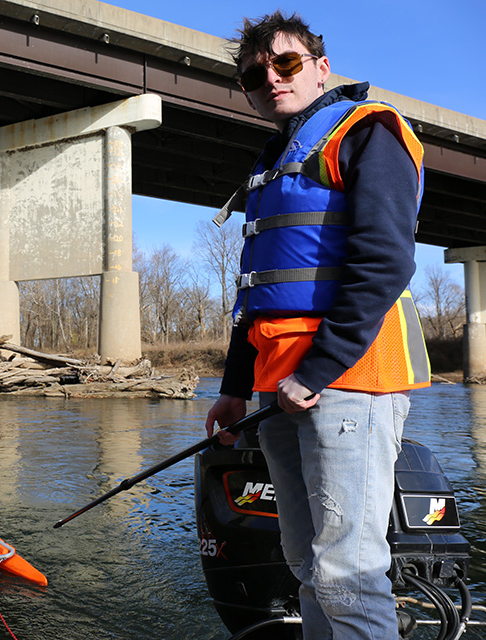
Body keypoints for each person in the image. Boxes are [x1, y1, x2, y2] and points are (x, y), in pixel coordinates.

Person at [205, 10, 430, 640]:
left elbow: (385, 261)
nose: (270, 80)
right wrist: (233, 386)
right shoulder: (275, 158)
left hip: (345, 381)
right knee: (308, 566)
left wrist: (318, 368)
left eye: (285, 64)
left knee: (349, 575)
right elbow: (261, 290)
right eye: (255, 75)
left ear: (320, 67)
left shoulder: (366, 132)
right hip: (280, 388)